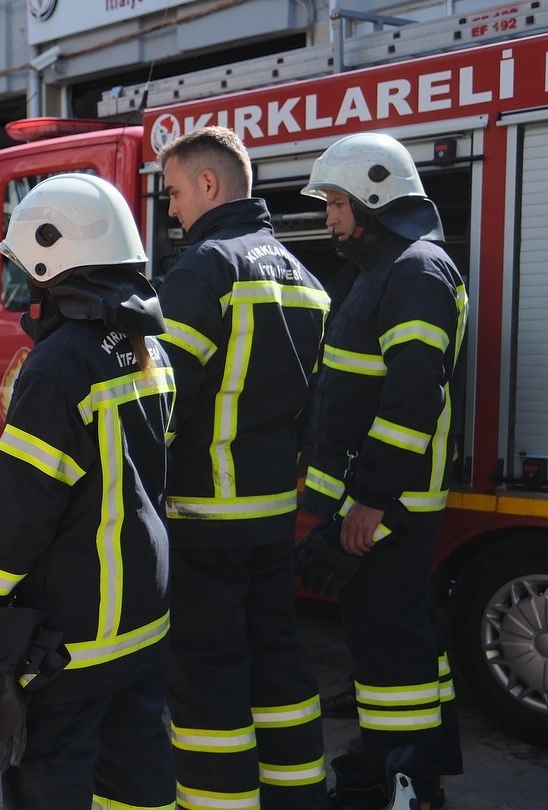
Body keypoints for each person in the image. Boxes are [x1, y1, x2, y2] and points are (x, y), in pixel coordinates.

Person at [0, 173, 175, 809]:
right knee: (138, 785)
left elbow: (15, 512)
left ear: (53, 260)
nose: (24, 285)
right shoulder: (150, 347)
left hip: (73, 639)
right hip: (142, 622)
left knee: (49, 785)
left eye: (26, 270)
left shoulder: (60, 364)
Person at [153, 126, 331, 808]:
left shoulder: (206, 269)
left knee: (208, 676)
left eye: (174, 193)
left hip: (203, 517)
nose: (172, 211)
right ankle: (299, 796)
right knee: (279, 661)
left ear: (209, 184)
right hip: (272, 515)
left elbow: (164, 401)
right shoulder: (306, 279)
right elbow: (318, 411)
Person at [298, 132, 466, 808]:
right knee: (402, 642)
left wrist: (370, 502)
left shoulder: (416, 273)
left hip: (388, 506)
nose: (329, 218)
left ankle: (405, 784)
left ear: (373, 199)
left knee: (391, 652)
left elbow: (411, 402)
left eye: (337, 204)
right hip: (374, 501)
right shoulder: (381, 270)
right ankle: (418, 769)